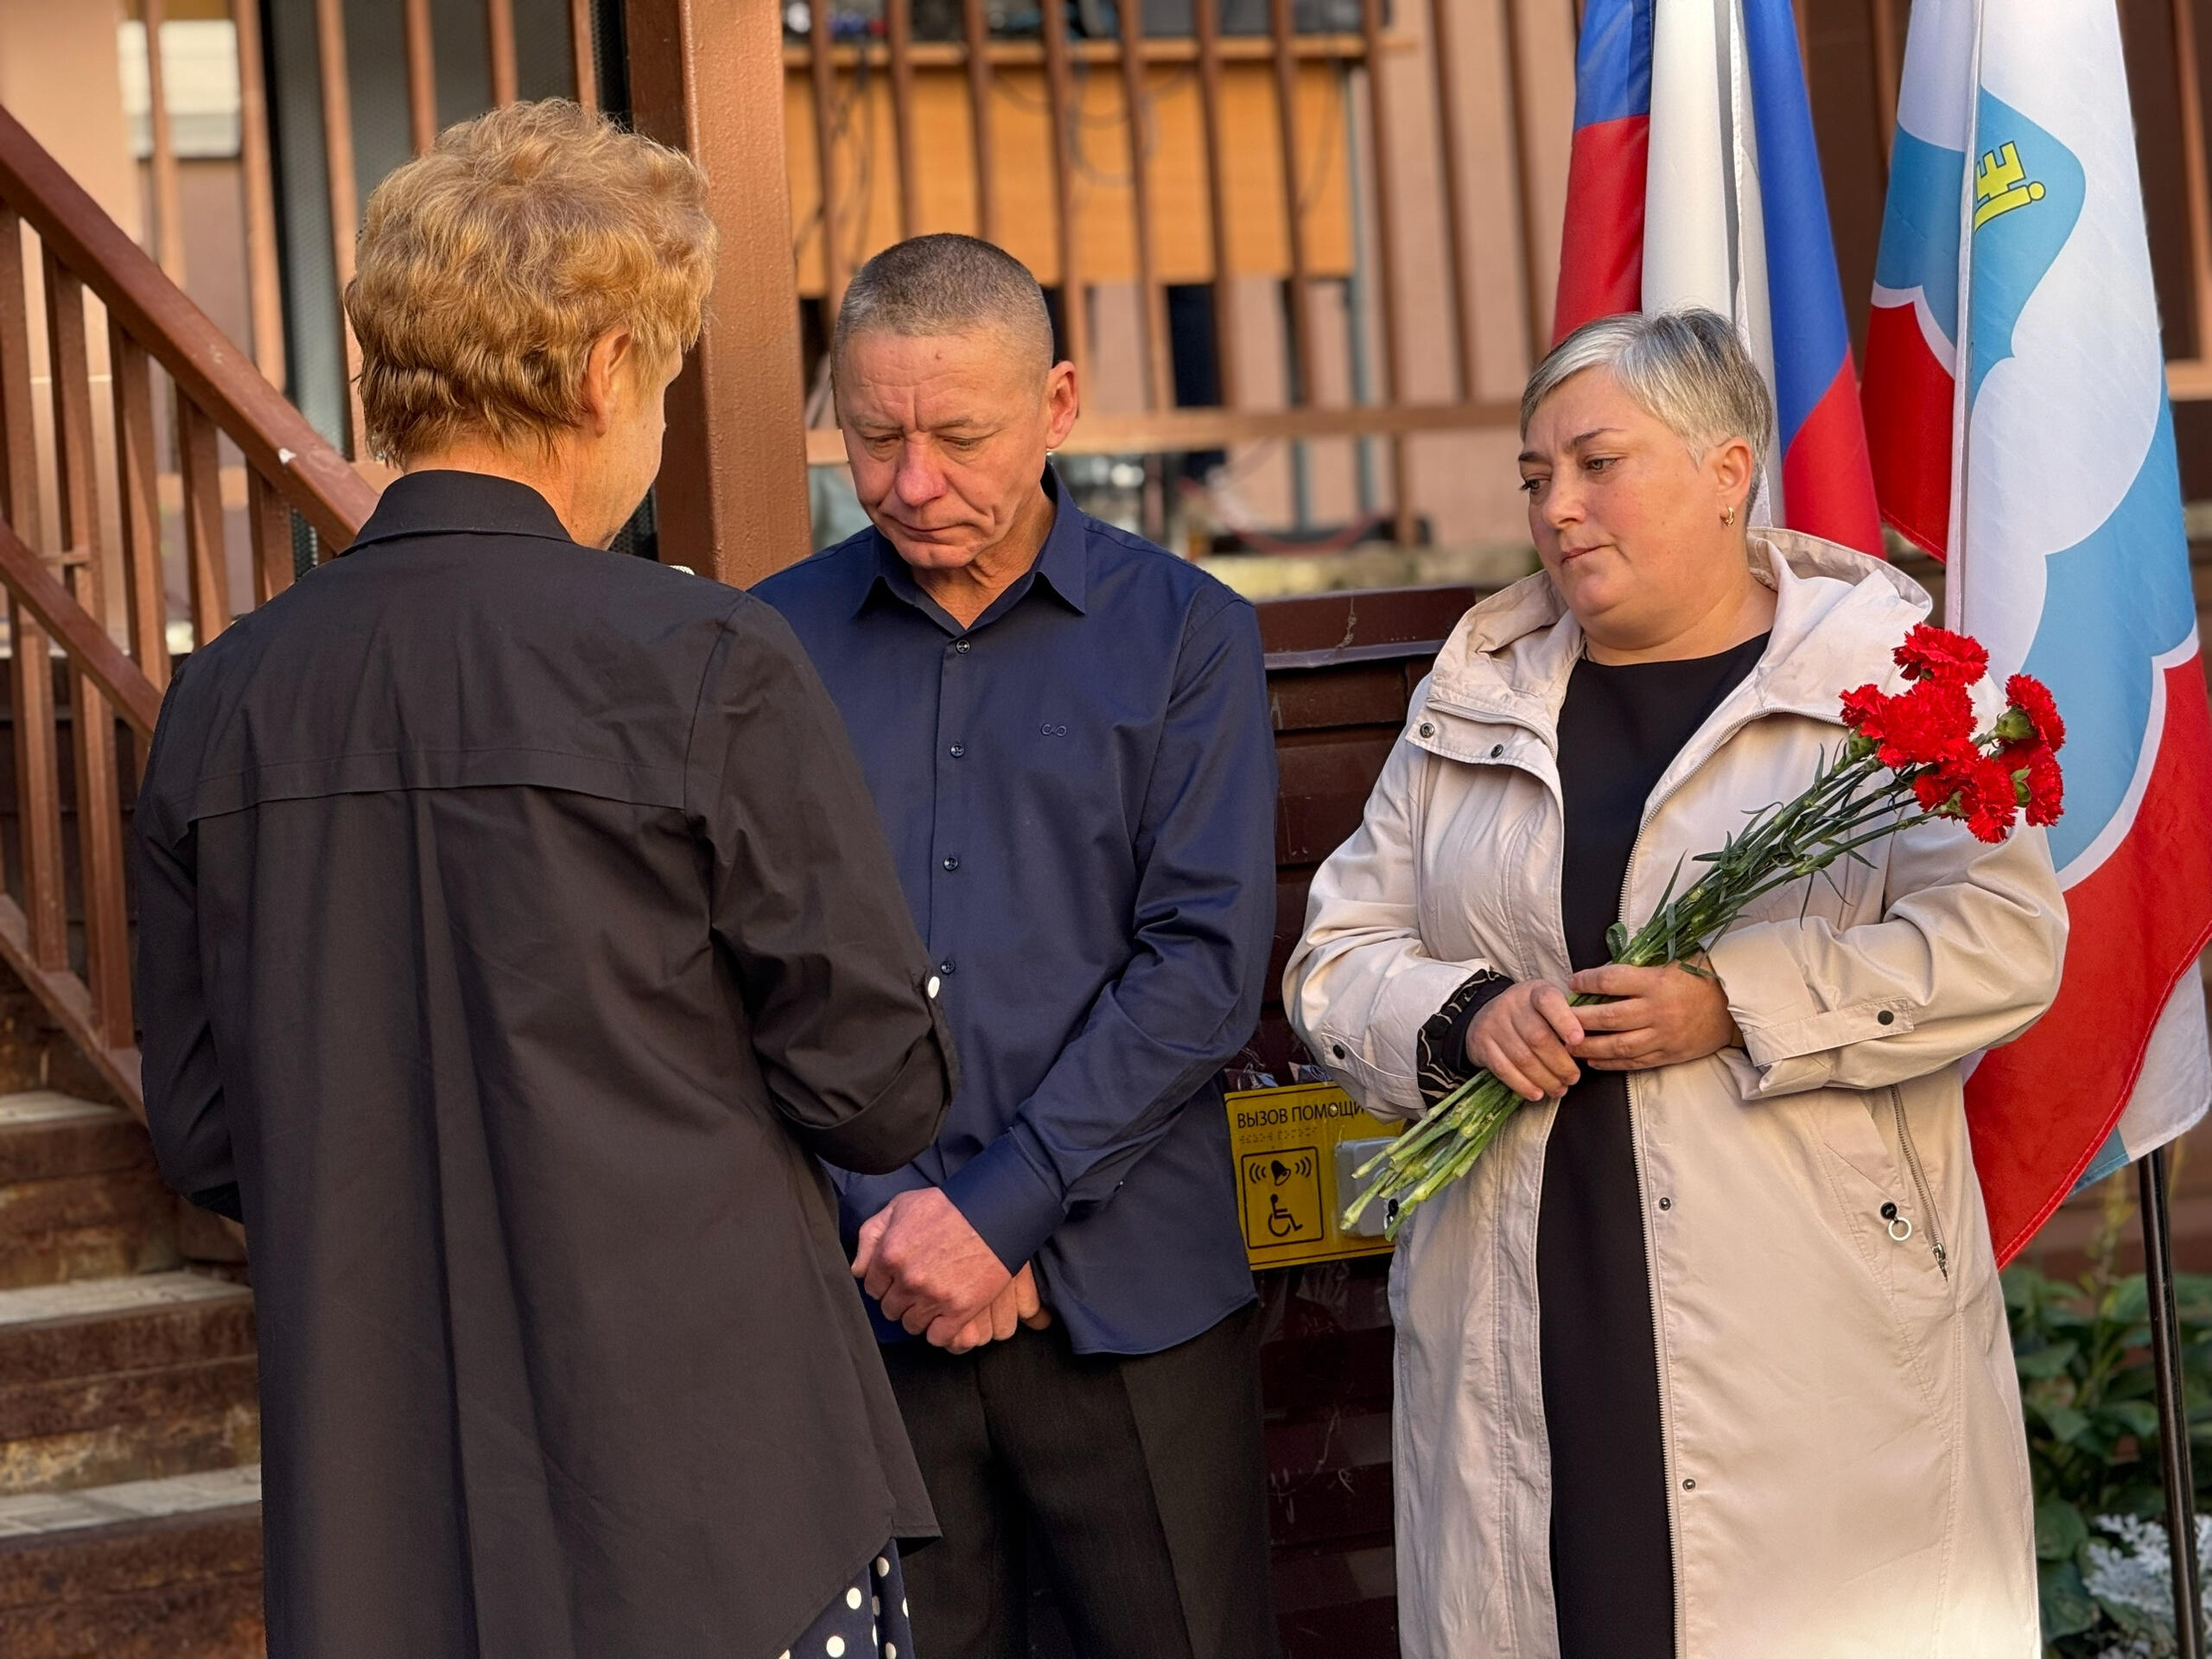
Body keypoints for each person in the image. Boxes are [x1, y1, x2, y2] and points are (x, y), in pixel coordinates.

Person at [133, 102, 954, 1659]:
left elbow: (207, 1132)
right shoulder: (701, 658)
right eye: (667, 380)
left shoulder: (224, 700)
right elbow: (878, 1091)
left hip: (385, 1525)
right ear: (605, 372)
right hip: (722, 1506)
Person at [1284, 309, 2065, 1659]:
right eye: (1536, 477)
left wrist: (1735, 1001)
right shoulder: (1477, 694)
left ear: (1727, 470)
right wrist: (1467, 1017)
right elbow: (1336, 957)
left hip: (1806, 1326)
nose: (1558, 508)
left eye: (1598, 465)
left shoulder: (1883, 684)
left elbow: (2003, 941)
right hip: (1528, 1306)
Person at [756, 233, 1280, 1659]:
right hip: (863, 1303)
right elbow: (747, 969)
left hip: (1129, 1294)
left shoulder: (1187, 635)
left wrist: (999, 1216)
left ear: (1058, 404)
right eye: (874, 438)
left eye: (958, 437)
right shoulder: (766, 646)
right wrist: (896, 1220)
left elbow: (1201, 967)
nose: (912, 482)